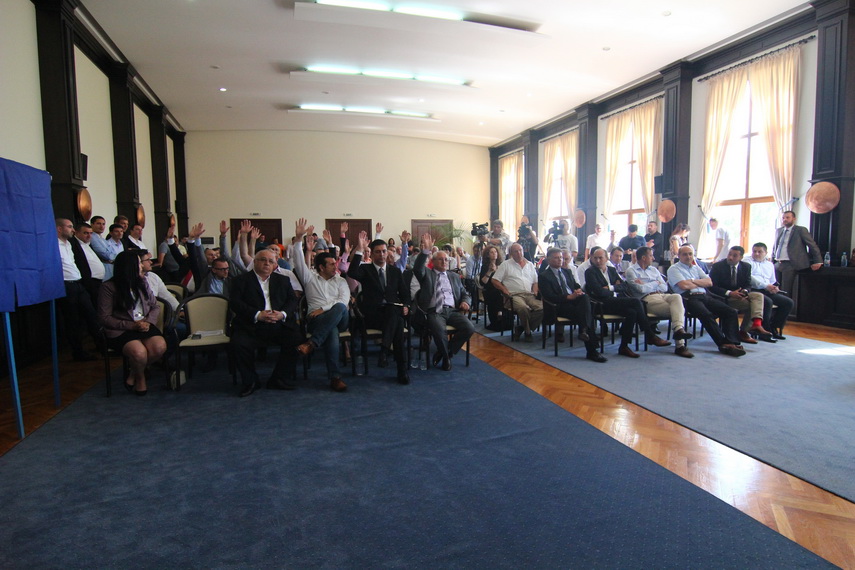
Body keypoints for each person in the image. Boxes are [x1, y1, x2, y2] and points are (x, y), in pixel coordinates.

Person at [229, 249, 303, 397]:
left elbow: (292, 301)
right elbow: (235, 303)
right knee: (239, 343)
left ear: (275, 264)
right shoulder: (240, 280)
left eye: (271, 261)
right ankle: (250, 381)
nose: (267, 263)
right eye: (263, 260)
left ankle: (278, 378)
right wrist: (257, 314)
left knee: (296, 338)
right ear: (255, 262)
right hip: (250, 324)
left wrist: (282, 314)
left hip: (278, 323)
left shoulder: (283, 280)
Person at [293, 219, 351, 392]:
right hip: (315, 320)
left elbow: (343, 301)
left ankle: (311, 343)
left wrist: (323, 309)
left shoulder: (341, 281)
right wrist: (298, 238)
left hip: (340, 318)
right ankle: (335, 378)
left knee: (339, 307)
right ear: (321, 267)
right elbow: (298, 261)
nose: (336, 266)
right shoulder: (309, 278)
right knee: (331, 331)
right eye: (332, 264)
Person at [97, 250, 167, 395]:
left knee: (159, 347)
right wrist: (132, 325)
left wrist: (148, 322)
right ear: (129, 267)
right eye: (139, 263)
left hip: (145, 325)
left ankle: (133, 373)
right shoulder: (108, 287)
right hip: (122, 329)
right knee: (139, 353)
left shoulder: (143, 282)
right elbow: (105, 318)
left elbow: (155, 306)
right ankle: (140, 378)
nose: (142, 266)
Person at [347, 232, 411, 384]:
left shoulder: (395, 271)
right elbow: (352, 272)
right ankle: (394, 361)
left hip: (391, 314)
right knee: (397, 321)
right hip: (372, 316)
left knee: (396, 317)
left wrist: (406, 305)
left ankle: (390, 357)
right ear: (372, 254)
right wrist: (359, 249)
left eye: (383, 251)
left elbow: (405, 294)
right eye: (377, 252)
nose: (381, 254)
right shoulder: (365, 269)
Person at [584, 248, 670, 358]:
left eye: (600, 258)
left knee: (632, 312)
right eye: (595, 258)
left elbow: (624, 286)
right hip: (601, 304)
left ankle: (624, 346)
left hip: (615, 301)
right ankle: (649, 334)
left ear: (606, 258)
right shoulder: (590, 272)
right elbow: (598, 292)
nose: (597, 261)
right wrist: (615, 288)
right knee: (635, 301)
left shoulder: (611, 270)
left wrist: (610, 288)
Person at [667, 245, 745, 357]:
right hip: (688, 298)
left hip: (704, 296)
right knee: (707, 315)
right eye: (685, 254)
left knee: (730, 311)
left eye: (690, 254)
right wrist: (699, 282)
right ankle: (723, 344)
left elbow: (709, 282)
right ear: (678, 256)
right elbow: (684, 286)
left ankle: (733, 342)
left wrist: (692, 281)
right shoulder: (674, 269)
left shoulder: (696, 268)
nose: (688, 257)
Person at [412, 233, 475, 371]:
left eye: (446, 259)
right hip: (434, 311)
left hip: (452, 311)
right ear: (433, 261)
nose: (444, 262)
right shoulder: (427, 274)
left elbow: (465, 293)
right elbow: (417, 268)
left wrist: (466, 302)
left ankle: (445, 353)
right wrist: (425, 251)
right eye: (440, 259)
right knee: (439, 331)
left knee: (469, 328)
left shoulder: (454, 276)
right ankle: (446, 359)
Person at [538, 247, 606, 363]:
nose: (560, 260)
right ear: (548, 260)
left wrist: (578, 291)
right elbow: (549, 297)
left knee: (584, 298)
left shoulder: (567, 272)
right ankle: (592, 349)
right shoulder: (544, 276)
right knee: (586, 315)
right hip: (558, 306)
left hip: (574, 303)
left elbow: (575, 286)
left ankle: (585, 333)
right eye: (556, 258)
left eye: (561, 257)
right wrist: (568, 297)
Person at [625, 246, 694, 358]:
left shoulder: (654, 270)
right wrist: (656, 283)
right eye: (651, 256)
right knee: (677, 311)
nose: (653, 258)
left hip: (662, 295)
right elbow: (641, 290)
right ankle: (680, 346)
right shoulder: (631, 271)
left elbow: (664, 287)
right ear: (643, 258)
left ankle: (678, 330)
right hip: (647, 300)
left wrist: (647, 284)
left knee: (677, 297)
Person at [56, 218, 101, 361]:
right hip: (66, 285)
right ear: (59, 229)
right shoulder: (53, 244)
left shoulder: (69, 244)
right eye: (69, 227)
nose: (72, 230)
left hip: (78, 283)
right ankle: (78, 352)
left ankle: (101, 346)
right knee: (72, 320)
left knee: (92, 315)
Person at [708, 246, 775, 344]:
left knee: (758, 295)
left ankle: (756, 324)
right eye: (729, 254)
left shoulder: (746, 267)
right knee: (753, 305)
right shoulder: (718, 266)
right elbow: (712, 287)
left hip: (739, 295)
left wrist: (745, 291)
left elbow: (748, 284)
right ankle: (744, 332)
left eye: (734, 255)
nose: (730, 257)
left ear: (741, 257)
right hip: (723, 297)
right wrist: (730, 293)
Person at [491, 243, 543, 342]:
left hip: (529, 295)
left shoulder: (530, 265)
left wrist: (535, 291)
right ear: (511, 253)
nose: (519, 253)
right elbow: (494, 280)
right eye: (516, 251)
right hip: (514, 295)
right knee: (523, 308)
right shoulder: (505, 264)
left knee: (543, 308)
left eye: (520, 250)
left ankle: (521, 328)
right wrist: (504, 290)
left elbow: (535, 281)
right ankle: (528, 332)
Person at [772, 210, 822, 306]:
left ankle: (785, 311)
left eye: (787, 217)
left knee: (785, 290)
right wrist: (772, 259)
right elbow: (775, 246)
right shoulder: (779, 230)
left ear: (794, 218)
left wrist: (818, 260)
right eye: (783, 218)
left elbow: (812, 245)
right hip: (778, 263)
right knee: (774, 288)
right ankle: (775, 310)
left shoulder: (800, 230)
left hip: (791, 263)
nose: (785, 219)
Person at [748, 242, 793, 339]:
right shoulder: (747, 262)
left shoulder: (770, 264)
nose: (756, 254)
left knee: (788, 302)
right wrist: (766, 286)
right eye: (754, 251)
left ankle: (774, 327)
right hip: (753, 290)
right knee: (768, 302)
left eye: (759, 252)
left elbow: (773, 280)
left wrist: (774, 287)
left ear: (766, 253)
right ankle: (765, 330)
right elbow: (750, 278)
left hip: (767, 290)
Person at [71, 222, 106, 306]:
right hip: (88, 282)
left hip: (98, 282)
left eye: (91, 233)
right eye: (86, 233)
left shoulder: (87, 244)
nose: (89, 236)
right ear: (76, 233)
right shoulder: (73, 244)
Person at [479, 245, 505, 331]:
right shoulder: (485, 266)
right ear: (488, 255)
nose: (494, 254)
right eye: (492, 252)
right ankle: (499, 313)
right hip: (489, 291)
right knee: (496, 292)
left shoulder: (501, 266)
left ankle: (502, 315)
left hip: (501, 289)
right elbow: (483, 283)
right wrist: (489, 271)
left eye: (495, 252)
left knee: (501, 291)